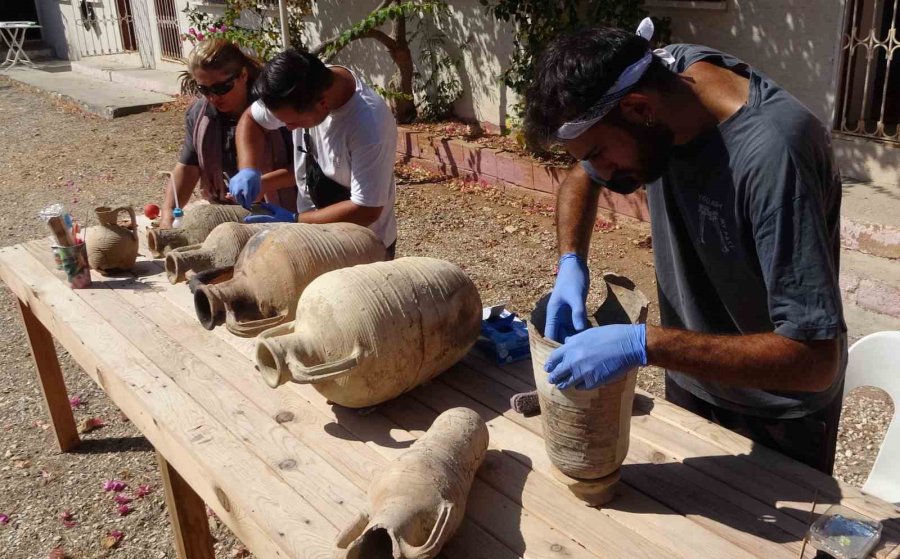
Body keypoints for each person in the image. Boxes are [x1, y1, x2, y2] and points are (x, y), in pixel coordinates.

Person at [524, 19, 846, 474]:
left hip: (778, 411)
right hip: (694, 378)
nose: (601, 171)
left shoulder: (774, 157)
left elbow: (815, 360)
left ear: (639, 109)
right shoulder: (659, 84)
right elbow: (583, 176)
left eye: (598, 153)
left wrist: (645, 344)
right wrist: (571, 260)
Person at [230, 49, 398, 257]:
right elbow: (251, 119)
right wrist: (248, 169)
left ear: (323, 104)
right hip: (311, 234)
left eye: (293, 122)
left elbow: (367, 209)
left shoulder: (369, 126)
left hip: (362, 246)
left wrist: (295, 220)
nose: (289, 128)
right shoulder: (300, 85)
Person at [160, 39, 296, 228]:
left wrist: (263, 184)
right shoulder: (199, 115)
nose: (213, 97)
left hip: (282, 212)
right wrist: (168, 214)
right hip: (228, 213)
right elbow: (188, 168)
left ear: (243, 75)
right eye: (203, 89)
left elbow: (305, 168)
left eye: (221, 88)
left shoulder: (276, 108)